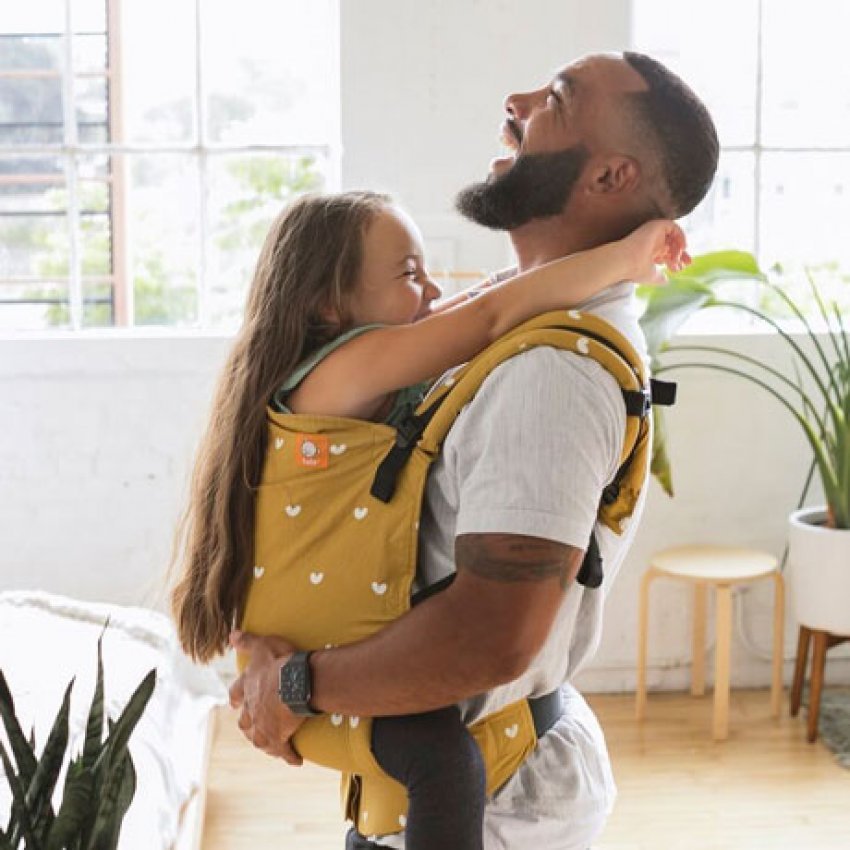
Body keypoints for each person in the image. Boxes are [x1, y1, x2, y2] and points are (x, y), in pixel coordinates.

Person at [228, 50, 719, 850]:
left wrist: (292, 685)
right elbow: (485, 309)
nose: (517, 100)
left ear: (610, 176)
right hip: (461, 782)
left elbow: (488, 639)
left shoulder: (551, 372)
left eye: (556, 98)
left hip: (483, 803)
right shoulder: (521, 328)